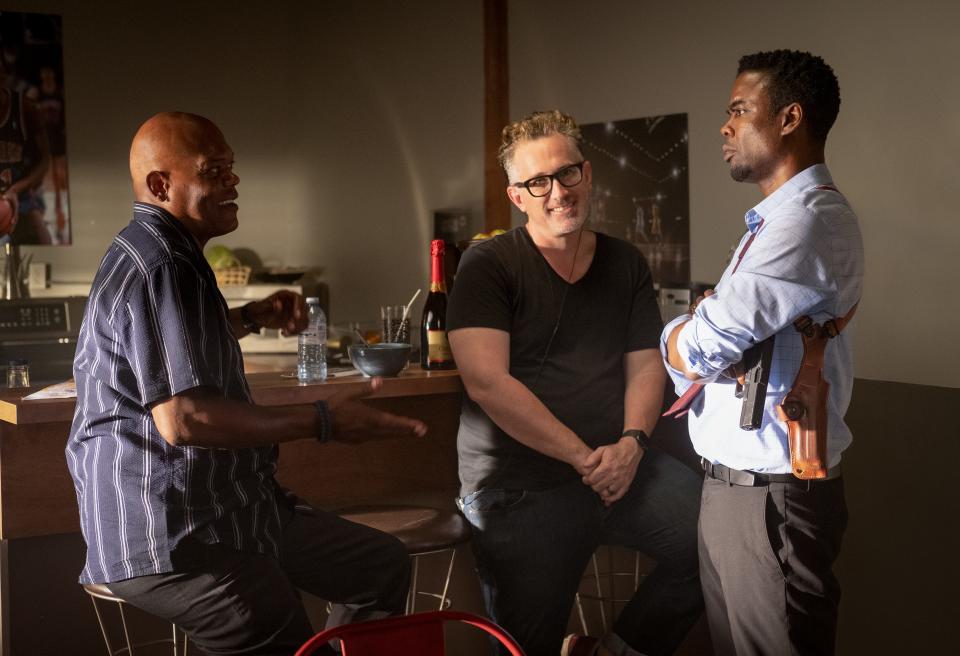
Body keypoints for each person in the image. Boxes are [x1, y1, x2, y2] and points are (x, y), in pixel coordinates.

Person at [66, 111, 427, 656]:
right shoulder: (164, 261)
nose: (233, 181)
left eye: (232, 169)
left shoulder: (164, 250)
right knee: (269, 622)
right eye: (215, 171)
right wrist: (325, 420)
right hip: (173, 531)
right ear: (162, 185)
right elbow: (184, 419)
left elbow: (168, 348)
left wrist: (250, 316)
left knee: (377, 565)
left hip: (228, 510)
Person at [448, 110, 703, 656]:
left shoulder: (625, 262)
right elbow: (487, 383)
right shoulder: (487, 264)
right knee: (527, 645)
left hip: (620, 466)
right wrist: (587, 460)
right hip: (520, 485)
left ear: (587, 175)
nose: (557, 192)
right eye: (538, 182)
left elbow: (646, 362)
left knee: (715, 544)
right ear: (518, 197)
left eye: (567, 174)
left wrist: (633, 444)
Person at [662, 50, 864, 655]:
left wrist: (674, 335)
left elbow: (704, 344)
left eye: (739, 110)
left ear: (789, 118)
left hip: (771, 497)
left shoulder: (805, 222)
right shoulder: (775, 222)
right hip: (738, 493)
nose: (725, 126)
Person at [0, 57, 52, 245]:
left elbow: (45, 161)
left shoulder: (26, 108)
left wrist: (16, 189)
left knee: (41, 236)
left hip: (23, 191)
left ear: (4, 75)